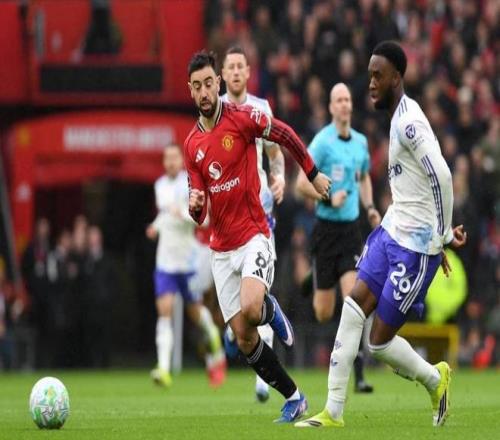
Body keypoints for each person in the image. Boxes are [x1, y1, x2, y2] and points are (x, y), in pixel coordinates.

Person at [296, 41, 466, 429]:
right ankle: (332, 412)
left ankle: (434, 378)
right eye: (369, 75)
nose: (371, 83)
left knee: (378, 342)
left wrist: (441, 236)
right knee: (353, 306)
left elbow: (442, 175)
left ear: (397, 78)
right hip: (390, 232)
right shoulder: (396, 116)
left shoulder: (408, 123)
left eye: (379, 75)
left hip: (415, 249)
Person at [184, 51, 330, 422]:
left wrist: (312, 174)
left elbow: (285, 135)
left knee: (252, 309)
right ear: (191, 91)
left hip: (254, 235)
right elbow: (198, 208)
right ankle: (295, 397)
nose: (204, 91)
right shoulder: (191, 145)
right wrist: (195, 206)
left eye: (209, 83)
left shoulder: (243, 117)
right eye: (197, 86)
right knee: (244, 338)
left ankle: (270, 310)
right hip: (221, 250)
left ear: (218, 83)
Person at [296, 82, 380, 393]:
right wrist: (328, 198)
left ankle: (359, 374)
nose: (344, 104)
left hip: (351, 232)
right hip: (325, 231)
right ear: (331, 107)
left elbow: (364, 176)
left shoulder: (360, 142)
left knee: (354, 300)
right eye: (338, 100)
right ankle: (316, 274)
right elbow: (300, 185)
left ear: (350, 105)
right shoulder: (322, 142)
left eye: (347, 99)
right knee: (323, 312)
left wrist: (370, 207)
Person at [220, 45, 286, 403]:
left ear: (248, 72)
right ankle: (235, 331)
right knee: (236, 296)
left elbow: (275, 152)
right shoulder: (214, 110)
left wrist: (279, 178)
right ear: (222, 74)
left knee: (260, 286)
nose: (234, 71)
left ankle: (265, 378)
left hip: (259, 209)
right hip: (226, 215)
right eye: (229, 66)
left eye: (239, 66)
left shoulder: (261, 108)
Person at [146, 144, 226, 388]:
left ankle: (212, 334)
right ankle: (163, 368)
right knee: (165, 310)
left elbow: (204, 220)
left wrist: (181, 212)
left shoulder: (190, 184)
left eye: (174, 157)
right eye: (167, 158)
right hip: (165, 261)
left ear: (181, 160)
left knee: (195, 312)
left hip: (188, 259)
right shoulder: (159, 186)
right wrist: (155, 226)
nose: (170, 162)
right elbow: (164, 215)